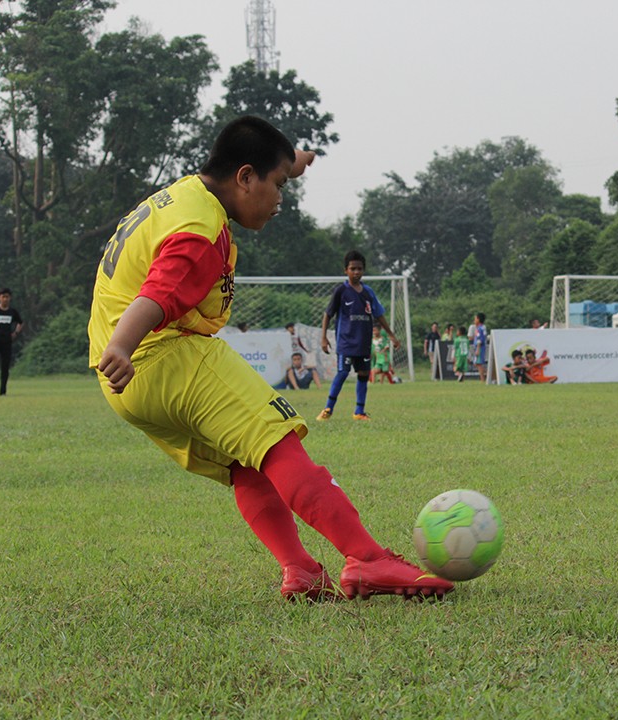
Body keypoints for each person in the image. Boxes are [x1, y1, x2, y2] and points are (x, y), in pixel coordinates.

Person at [88, 116, 451, 602]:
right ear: (244, 177)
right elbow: (160, 292)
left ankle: (300, 568)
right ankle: (368, 558)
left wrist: (292, 163)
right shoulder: (200, 229)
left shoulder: (181, 197)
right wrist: (124, 345)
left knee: (248, 463)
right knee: (279, 442)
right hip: (161, 355)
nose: (281, 199)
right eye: (278, 185)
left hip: (126, 387)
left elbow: (250, 158)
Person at [316, 250, 401, 422]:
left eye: (359, 269)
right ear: (345, 270)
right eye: (353, 268)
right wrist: (323, 338)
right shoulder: (341, 291)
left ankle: (359, 412)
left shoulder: (368, 292)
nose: (356, 272)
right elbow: (328, 314)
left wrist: (391, 335)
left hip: (363, 343)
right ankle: (327, 409)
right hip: (346, 342)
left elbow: (379, 314)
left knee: (363, 374)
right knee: (342, 373)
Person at [471, 312, 488, 383]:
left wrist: (477, 349)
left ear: (478, 319)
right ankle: (487, 376)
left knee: (479, 363)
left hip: (480, 347)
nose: (474, 320)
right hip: (481, 347)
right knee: (477, 363)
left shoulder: (479, 329)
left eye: (475, 318)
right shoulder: (483, 327)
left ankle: (483, 379)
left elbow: (479, 339)